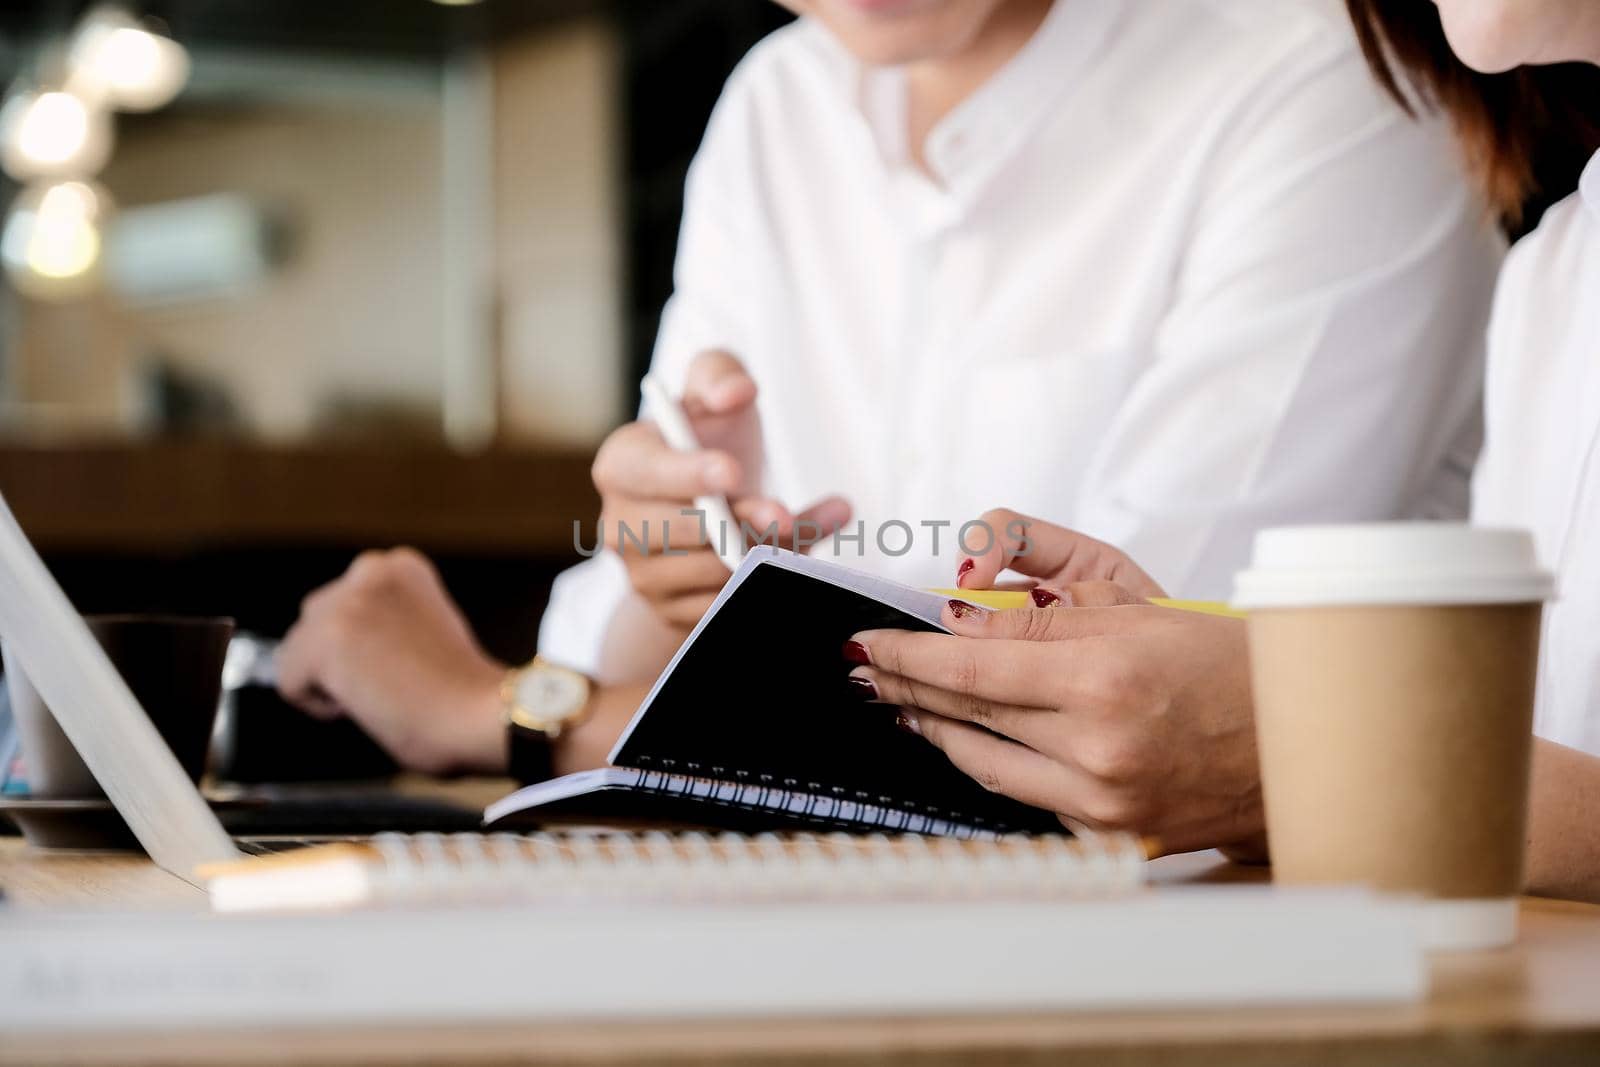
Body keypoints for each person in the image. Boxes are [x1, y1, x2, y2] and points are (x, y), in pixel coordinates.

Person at [275, 0, 1500, 779]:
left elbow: (1130, 721)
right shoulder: (777, 103)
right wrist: (672, 568)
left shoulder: (1325, 83)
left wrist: (496, 711)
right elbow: (634, 620)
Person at [841, 0, 1600, 902]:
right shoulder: (1555, 277)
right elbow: (1549, 798)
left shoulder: (1317, 105)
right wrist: (1222, 728)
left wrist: (1308, 756)